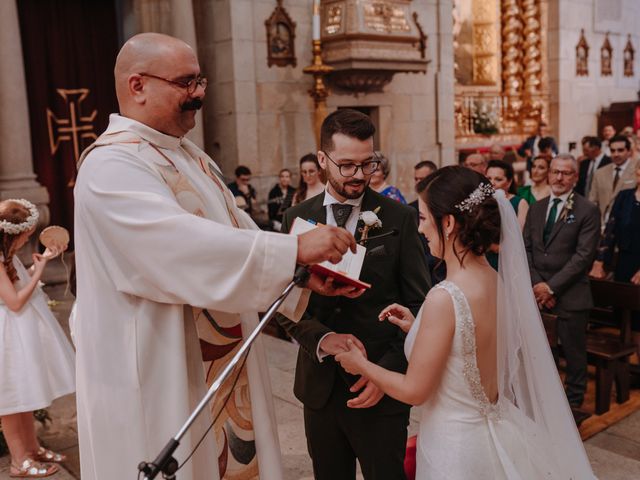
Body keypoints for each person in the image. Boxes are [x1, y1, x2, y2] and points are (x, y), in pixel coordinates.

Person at [74, 33, 360, 480]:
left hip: (216, 356)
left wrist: (301, 272)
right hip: (159, 364)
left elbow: (236, 230)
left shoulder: (189, 156)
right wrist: (295, 249)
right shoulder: (111, 166)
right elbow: (173, 246)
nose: (200, 93)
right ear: (137, 85)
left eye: (200, 80)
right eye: (186, 82)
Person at [335, 166, 596, 479]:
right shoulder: (495, 280)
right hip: (496, 433)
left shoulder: (444, 297)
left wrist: (359, 364)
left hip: (455, 449)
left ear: (447, 223)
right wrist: (417, 326)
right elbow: (469, 341)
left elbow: (414, 391)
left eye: (422, 218)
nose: (420, 230)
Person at [278, 109, 430, 480]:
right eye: (346, 165)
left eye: (367, 164)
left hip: (382, 387)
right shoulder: (296, 218)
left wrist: (386, 373)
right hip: (320, 388)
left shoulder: (398, 218)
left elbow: (419, 307)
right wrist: (323, 339)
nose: (359, 175)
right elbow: (283, 304)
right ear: (322, 159)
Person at [0, 199, 74, 478]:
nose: (28, 239)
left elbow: (17, 281)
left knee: (26, 393)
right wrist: (40, 273)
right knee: (11, 400)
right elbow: (15, 301)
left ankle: (32, 448)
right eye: (26, 236)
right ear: (12, 234)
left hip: (20, 329)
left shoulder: (8, 254)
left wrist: (38, 264)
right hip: (8, 335)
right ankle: (19, 461)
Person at [524, 155, 601, 407]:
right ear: (549, 174)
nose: (559, 177)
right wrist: (538, 285)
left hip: (570, 296)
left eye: (566, 173)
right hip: (538, 295)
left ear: (575, 178)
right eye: (555, 172)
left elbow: (583, 257)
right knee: (544, 354)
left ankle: (574, 405)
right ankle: (548, 404)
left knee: (574, 354)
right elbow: (527, 250)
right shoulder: (536, 207)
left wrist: (551, 287)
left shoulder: (587, 209)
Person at [590, 162, 640, 357]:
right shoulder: (625, 196)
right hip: (626, 263)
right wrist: (600, 261)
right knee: (628, 317)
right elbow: (610, 230)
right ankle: (631, 367)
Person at [589, 135, 639, 223]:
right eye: (612, 151)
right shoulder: (600, 173)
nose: (616, 154)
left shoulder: (637, 170)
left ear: (628, 151)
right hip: (603, 225)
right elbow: (593, 201)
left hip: (628, 226)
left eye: (620, 150)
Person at [486, 160, 529, 229]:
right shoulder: (481, 201)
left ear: (509, 182)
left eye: (498, 179)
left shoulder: (520, 203)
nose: (492, 183)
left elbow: (519, 234)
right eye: (488, 178)